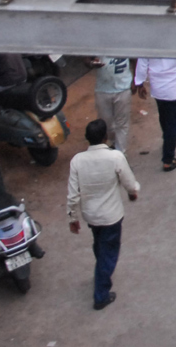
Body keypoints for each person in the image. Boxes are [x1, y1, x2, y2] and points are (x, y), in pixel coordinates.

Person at [67, 119, 140, 311]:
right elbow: (129, 182)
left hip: (91, 216)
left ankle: (100, 272)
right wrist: (133, 192)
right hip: (111, 215)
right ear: (105, 137)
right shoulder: (115, 157)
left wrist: (72, 218)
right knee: (109, 252)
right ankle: (101, 294)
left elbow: (73, 195)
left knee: (99, 244)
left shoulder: (77, 161)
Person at [133, 57, 176, 172]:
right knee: (172, 125)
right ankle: (168, 160)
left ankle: (167, 142)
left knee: (164, 118)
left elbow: (142, 62)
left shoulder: (152, 42)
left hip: (158, 90)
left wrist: (139, 83)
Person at [93, 57, 132, 155]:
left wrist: (136, 80)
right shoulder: (97, 43)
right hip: (103, 89)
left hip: (123, 88)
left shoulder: (126, 43)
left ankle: (120, 154)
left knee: (122, 123)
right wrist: (91, 63)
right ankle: (115, 142)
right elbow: (86, 59)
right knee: (105, 123)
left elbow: (136, 59)